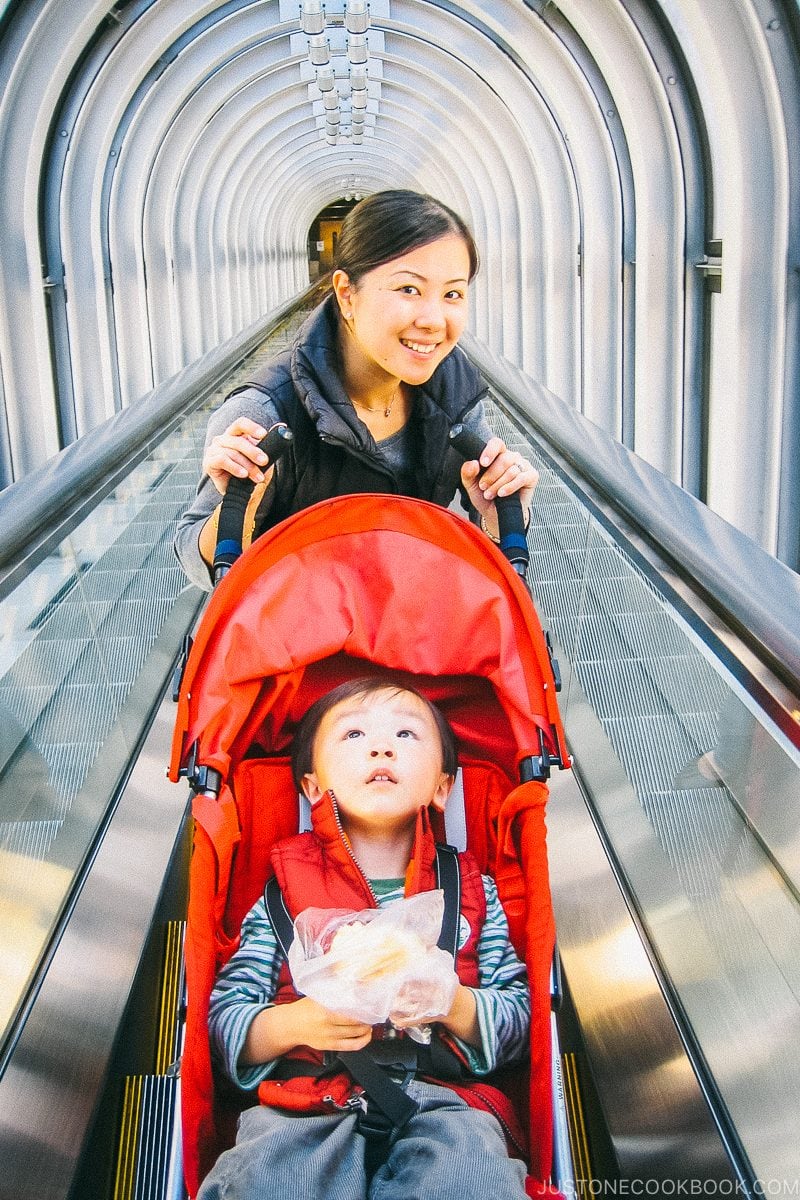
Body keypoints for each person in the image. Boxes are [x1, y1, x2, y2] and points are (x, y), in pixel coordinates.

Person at [198, 676, 531, 1199]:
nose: (381, 746)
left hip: (444, 1101)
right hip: (303, 1102)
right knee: (272, 1181)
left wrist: (452, 1003)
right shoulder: (282, 895)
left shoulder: (473, 891)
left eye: (406, 734)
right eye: (353, 736)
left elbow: (518, 1019)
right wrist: (296, 1022)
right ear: (311, 787)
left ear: (444, 786)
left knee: (472, 1178)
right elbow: (222, 1022)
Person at [175, 190, 538, 589]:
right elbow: (200, 565)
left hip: (407, 629)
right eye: (409, 290)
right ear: (347, 293)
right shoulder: (265, 413)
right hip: (300, 638)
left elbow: (498, 536)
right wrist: (237, 509)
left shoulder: (454, 396)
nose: (434, 320)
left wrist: (498, 513)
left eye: (452, 294)